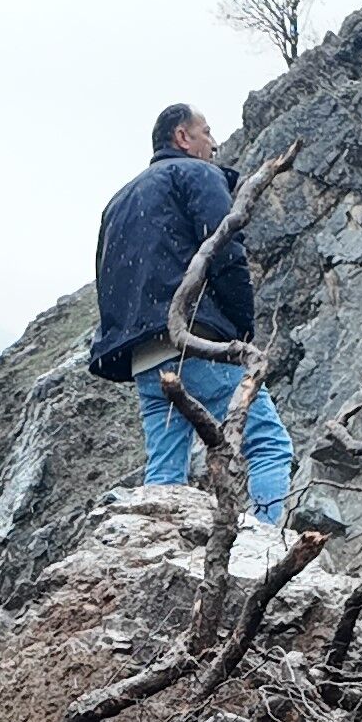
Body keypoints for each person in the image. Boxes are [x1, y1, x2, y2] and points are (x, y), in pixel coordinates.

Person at [91, 102, 294, 524]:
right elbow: (225, 251)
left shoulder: (117, 202)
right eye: (206, 132)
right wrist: (239, 331)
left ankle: (156, 556)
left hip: (145, 355)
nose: (214, 143)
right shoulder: (198, 174)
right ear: (182, 137)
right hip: (197, 339)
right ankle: (269, 547)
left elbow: (108, 280)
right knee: (268, 443)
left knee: (165, 473)